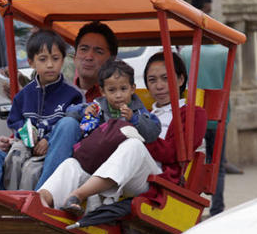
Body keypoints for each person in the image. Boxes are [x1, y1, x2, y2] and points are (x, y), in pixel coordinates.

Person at [0, 21, 118, 190]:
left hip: (58, 166)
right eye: (83, 49)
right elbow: (18, 123)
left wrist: (48, 140)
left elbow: (85, 141)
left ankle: (41, 194)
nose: (88, 56)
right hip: (24, 158)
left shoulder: (108, 97)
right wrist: (15, 139)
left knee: (68, 124)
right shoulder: (28, 93)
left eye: (98, 51)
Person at [39, 52, 207, 215]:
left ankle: (78, 195)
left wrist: (134, 132)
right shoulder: (145, 112)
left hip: (155, 177)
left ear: (180, 79)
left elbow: (173, 153)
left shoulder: (191, 113)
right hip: (120, 169)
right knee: (72, 164)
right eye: (152, 80)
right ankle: (40, 199)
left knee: (133, 144)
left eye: (166, 78)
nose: (159, 85)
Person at [178, 0, 236, 216]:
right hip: (220, 116)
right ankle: (218, 208)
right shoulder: (226, 52)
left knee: (191, 164)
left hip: (194, 116)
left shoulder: (185, 53)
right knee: (217, 166)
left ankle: (190, 206)